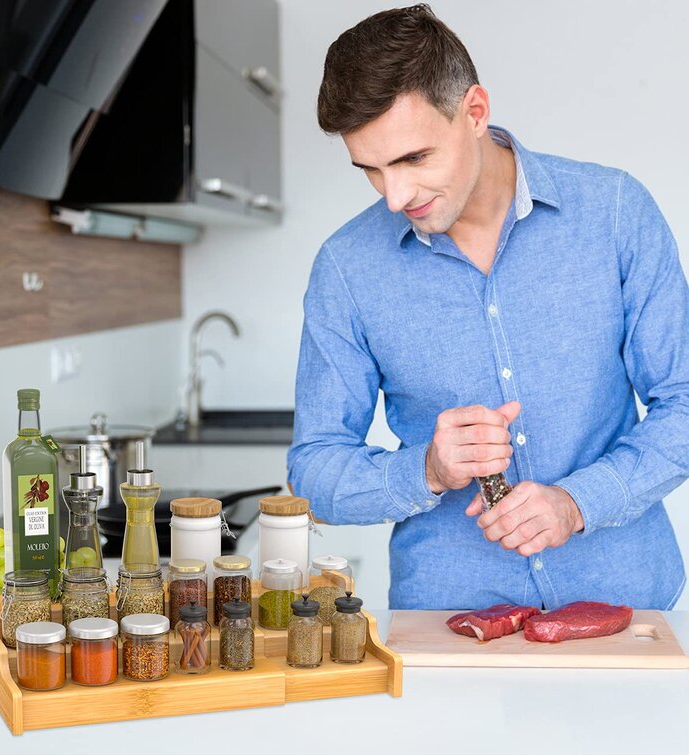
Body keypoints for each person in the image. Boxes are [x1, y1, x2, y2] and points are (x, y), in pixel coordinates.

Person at [287, 5, 689, 610]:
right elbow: (313, 469)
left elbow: (683, 403)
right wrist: (424, 471)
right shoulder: (347, 267)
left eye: (413, 159)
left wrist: (579, 502)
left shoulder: (614, 213)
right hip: (449, 620)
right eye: (369, 169)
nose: (395, 196)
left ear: (474, 112)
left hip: (630, 608)